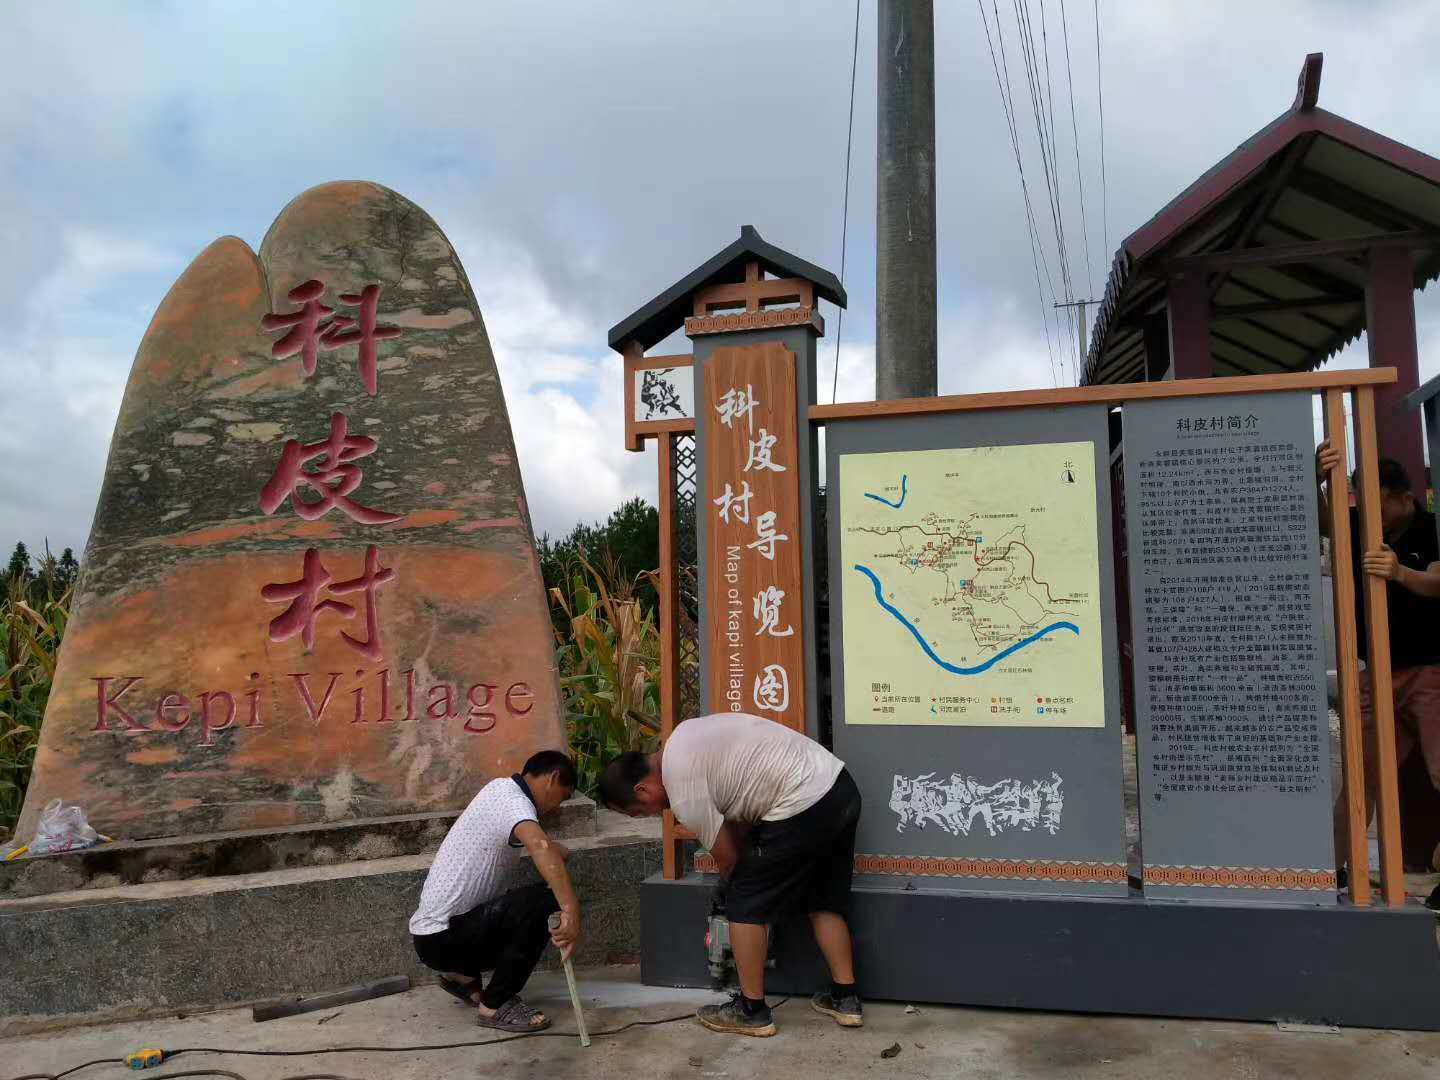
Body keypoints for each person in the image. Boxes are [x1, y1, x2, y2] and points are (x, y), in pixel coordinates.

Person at [599, 713, 863, 1038]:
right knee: (823, 898)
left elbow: (728, 857)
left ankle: (752, 1011)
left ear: (643, 789)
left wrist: (731, 891)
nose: (653, 814)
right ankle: (845, 998)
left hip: (800, 804)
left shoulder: (682, 790)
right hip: (839, 788)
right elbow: (740, 811)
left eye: (641, 811)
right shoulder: (684, 737)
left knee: (744, 902)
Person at [1316, 442, 1440, 892]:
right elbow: (1323, 522)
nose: (1369, 511)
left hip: (1429, 673)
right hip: (1377, 675)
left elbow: (1437, 581)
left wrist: (1399, 573)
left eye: (1375, 501)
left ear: (1402, 496)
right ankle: (1335, 871)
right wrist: (1317, 479)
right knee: (1360, 778)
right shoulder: (1364, 527)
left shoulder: (1430, 527)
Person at [409, 750, 582, 1031]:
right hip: (445, 938)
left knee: (524, 900)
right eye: (562, 797)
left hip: (433, 937)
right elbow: (539, 847)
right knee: (542, 902)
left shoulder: (500, 790)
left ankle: (463, 977)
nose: (557, 807)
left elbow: (543, 845)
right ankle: (496, 1004)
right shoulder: (515, 802)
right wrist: (571, 911)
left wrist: (555, 850)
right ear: (553, 779)